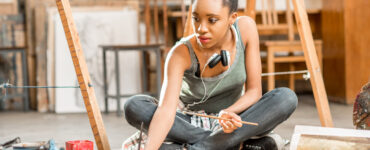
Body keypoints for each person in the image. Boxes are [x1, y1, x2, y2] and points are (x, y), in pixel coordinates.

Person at [124, 0, 298, 149]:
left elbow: (254, 91)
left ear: (232, 18)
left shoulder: (246, 28)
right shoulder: (180, 54)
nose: (201, 29)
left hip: (234, 119)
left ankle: (198, 147)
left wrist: (227, 113)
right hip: (189, 122)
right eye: (195, 19)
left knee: (286, 97)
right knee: (134, 106)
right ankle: (228, 145)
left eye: (212, 20)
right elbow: (166, 111)